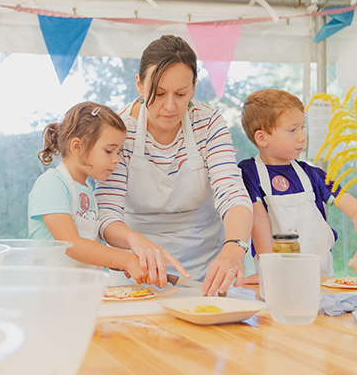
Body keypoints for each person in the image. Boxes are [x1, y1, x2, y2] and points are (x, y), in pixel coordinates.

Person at [96, 35, 254, 296]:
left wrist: (235, 246)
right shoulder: (119, 129)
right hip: (136, 266)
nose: (170, 107)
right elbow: (108, 215)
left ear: (193, 87)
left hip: (204, 269)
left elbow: (232, 192)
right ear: (139, 85)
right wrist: (137, 243)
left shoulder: (209, 124)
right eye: (158, 94)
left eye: (181, 94)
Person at [28, 101, 189, 286]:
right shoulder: (52, 184)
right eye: (109, 150)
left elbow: (92, 247)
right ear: (77, 146)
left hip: (81, 294)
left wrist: (124, 263)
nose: (116, 159)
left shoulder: (87, 190)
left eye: (118, 151)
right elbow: (71, 244)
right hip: (50, 294)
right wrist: (126, 260)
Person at [239, 89, 357, 276]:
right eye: (292, 130)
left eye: (303, 128)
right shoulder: (249, 173)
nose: (302, 137)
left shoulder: (312, 174)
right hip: (277, 280)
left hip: (322, 281)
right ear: (262, 138)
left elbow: (354, 209)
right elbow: (258, 220)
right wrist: (267, 271)